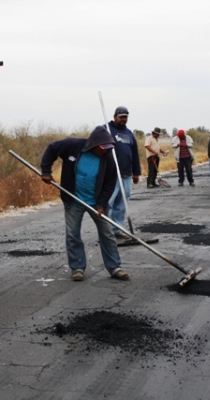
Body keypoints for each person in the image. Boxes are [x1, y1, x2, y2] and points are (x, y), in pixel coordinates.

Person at [40, 125, 130, 281]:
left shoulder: (108, 158)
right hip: (73, 199)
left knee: (107, 234)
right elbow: (51, 149)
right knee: (72, 234)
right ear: (94, 144)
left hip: (96, 203)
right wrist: (46, 171)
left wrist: (101, 204)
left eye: (108, 148)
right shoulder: (73, 146)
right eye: (103, 147)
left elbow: (109, 185)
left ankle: (115, 267)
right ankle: (77, 268)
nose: (106, 150)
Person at [107, 106, 142, 239]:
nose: (123, 119)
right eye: (121, 116)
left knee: (122, 203)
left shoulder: (128, 133)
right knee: (109, 202)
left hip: (126, 174)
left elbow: (134, 153)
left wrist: (136, 172)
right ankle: (106, 230)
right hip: (111, 174)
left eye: (125, 117)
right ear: (114, 116)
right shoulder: (106, 129)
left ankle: (117, 229)